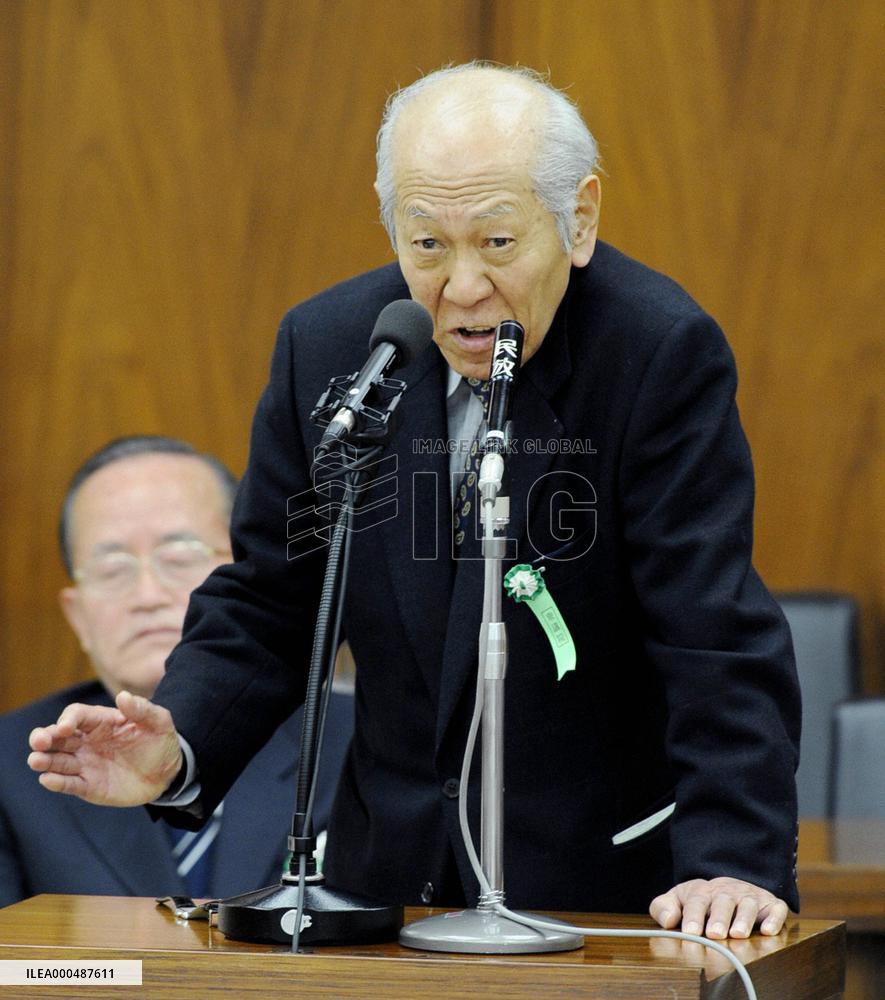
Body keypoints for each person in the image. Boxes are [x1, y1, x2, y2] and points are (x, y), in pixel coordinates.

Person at [28, 65, 801, 940]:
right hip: (386, 886)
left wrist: (732, 860)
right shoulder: (329, 349)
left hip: (599, 893)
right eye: (425, 243)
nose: (461, 287)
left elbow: (709, 628)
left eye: (498, 244)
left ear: (578, 219)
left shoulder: (656, 352)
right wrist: (180, 746)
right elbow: (275, 596)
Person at [2, 436, 352, 908]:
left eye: (180, 555)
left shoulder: (361, 741)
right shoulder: (16, 766)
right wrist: (118, 977)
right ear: (78, 617)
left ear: (249, 579)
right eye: (111, 569)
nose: (147, 595)